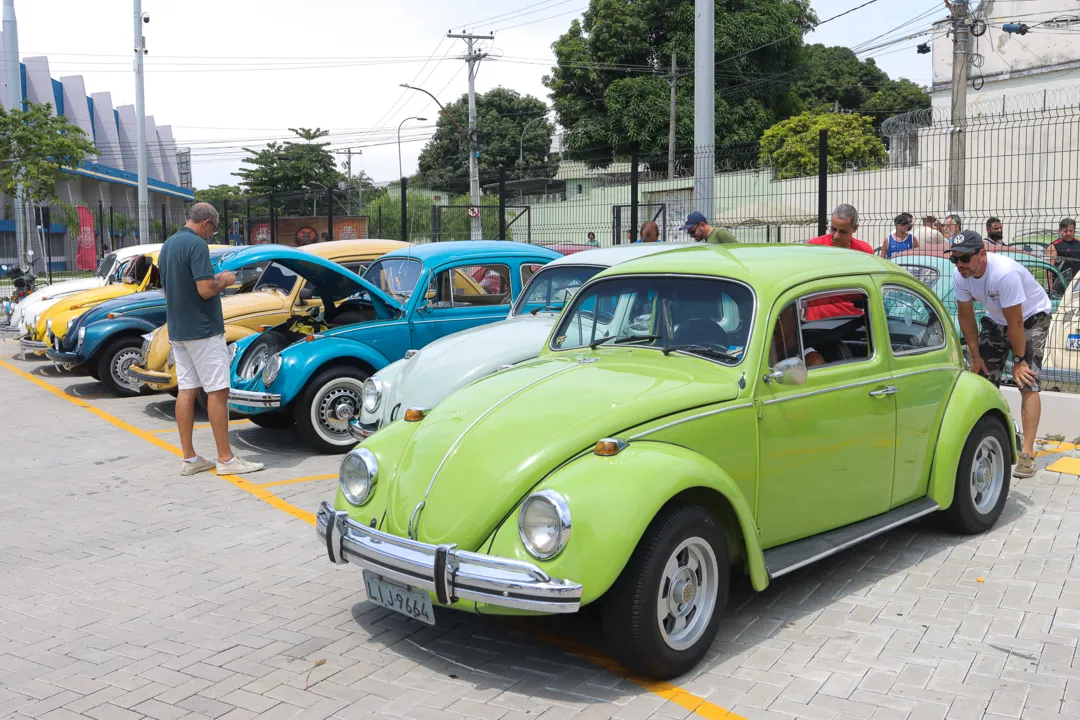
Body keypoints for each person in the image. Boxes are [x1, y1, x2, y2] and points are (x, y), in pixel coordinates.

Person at [160, 203, 264, 477]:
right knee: (218, 391)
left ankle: (190, 458)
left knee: (187, 390)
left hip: (179, 330)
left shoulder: (168, 245)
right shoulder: (196, 246)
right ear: (206, 222)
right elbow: (205, 290)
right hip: (203, 330)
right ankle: (226, 460)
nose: (211, 235)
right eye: (213, 229)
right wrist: (224, 281)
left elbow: (166, 292)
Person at [949, 229, 1053, 479]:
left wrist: (1018, 361)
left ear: (982, 255)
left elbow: (1016, 323)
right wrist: (975, 356)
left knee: (1027, 380)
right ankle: (984, 438)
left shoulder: (1004, 274)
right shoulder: (960, 275)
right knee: (982, 377)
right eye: (955, 259)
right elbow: (966, 318)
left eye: (965, 258)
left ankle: (1027, 454)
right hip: (997, 319)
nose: (960, 264)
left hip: (1030, 317)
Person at [805, 204, 874, 320]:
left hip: (854, 321)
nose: (836, 236)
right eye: (833, 229)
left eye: (842, 232)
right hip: (817, 323)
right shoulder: (814, 247)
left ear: (855, 229)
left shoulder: (864, 252)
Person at [1046, 217, 1080, 283]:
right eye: (1065, 231)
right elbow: (1049, 270)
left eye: (1071, 231)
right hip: (1061, 283)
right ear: (1060, 231)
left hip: (1077, 283)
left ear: (1074, 230)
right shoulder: (1054, 246)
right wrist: (1051, 289)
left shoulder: (1078, 243)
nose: (1068, 233)